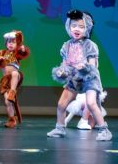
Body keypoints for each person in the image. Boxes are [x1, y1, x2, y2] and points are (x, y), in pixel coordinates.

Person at [47, 10, 111, 141]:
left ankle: (104, 130)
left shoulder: (90, 45)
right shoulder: (66, 46)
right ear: (69, 27)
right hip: (74, 79)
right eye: (74, 26)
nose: (77, 29)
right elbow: (65, 65)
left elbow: (93, 66)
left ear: (87, 28)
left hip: (89, 79)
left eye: (81, 27)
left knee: (91, 103)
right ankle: (60, 128)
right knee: (61, 104)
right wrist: (62, 72)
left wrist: (85, 67)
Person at [0, 30, 30, 128]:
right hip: (5, 81)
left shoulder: (16, 53)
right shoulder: (2, 53)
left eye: (13, 42)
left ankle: (12, 91)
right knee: (7, 102)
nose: (11, 44)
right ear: (6, 43)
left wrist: (23, 49)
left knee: (15, 73)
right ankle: (12, 119)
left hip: (15, 78)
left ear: (17, 44)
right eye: (9, 42)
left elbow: (23, 52)